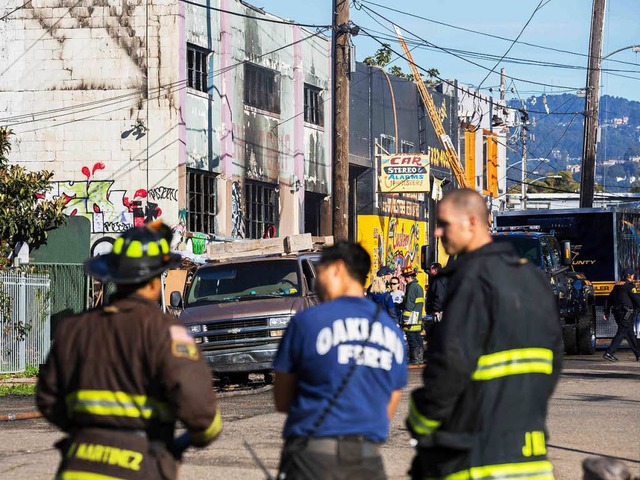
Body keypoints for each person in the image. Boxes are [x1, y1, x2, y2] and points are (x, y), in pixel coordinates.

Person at [37, 223, 221, 480]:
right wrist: (190, 439)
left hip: (77, 467)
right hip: (142, 468)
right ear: (155, 281)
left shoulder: (74, 329)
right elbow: (202, 415)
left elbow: (47, 399)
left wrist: (88, 434)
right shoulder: (167, 332)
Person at [407, 188, 563, 480]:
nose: (438, 232)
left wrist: (421, 420)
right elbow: (554, 358)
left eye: (444, 223)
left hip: (475, 460)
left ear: (472, 222)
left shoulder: (471, 279)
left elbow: (450, 365)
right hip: (531, 460)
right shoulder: (531, 278)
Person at [273, 241, 407, 480]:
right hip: (367, 460)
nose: (316, 281)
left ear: (337, 268)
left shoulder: (307, 322)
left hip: (312, 458)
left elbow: (282, 399)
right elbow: (390, 400)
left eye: (320, 272)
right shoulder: (391, 331)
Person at [603, 267, 640, 362]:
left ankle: (638, 354)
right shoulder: (629, 286)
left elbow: (608, 299)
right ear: (629, 276)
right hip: (626, 314)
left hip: (617, 313)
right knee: (622, 332)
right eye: (632, 275)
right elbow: (636, 299)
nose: (634, 276)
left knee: (630, 333)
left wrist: (606, 311)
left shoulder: (617, 285)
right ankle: (609, 352)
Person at [401, 265, 425, 365]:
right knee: (417, 338)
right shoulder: (419, 287)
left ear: (409, 277)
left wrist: (406, 318)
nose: (404, 279)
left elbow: (409, 304)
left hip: (410, 319)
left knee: (412, 339)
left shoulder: (411, 287)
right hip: (417, 317)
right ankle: (419, 358)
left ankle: (414, 359)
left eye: (405, 277)